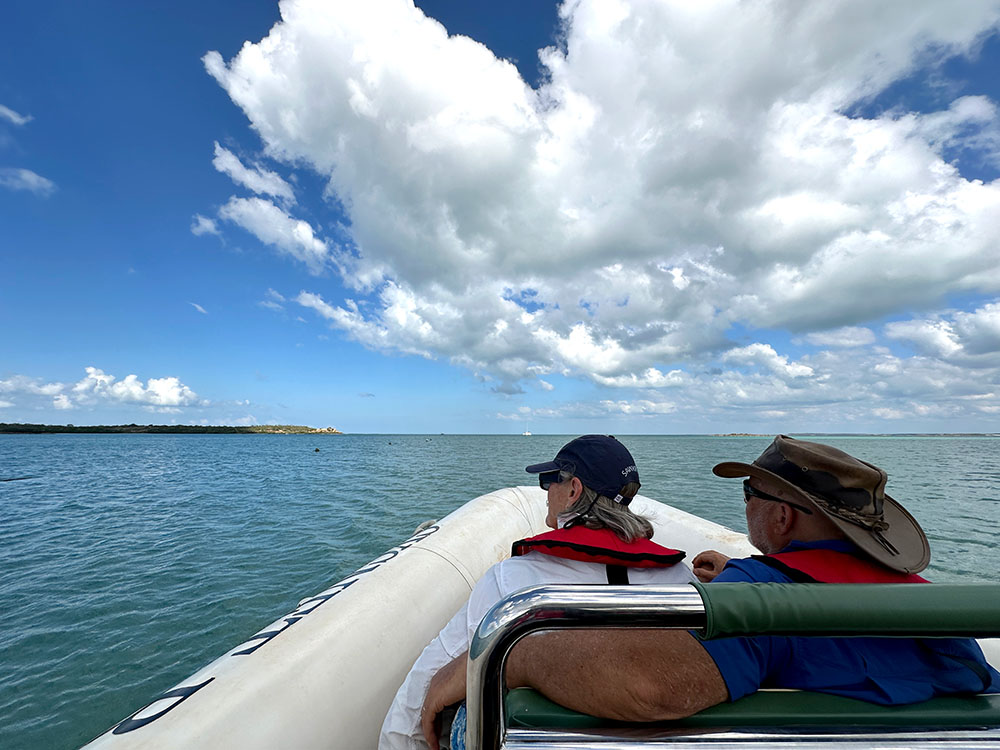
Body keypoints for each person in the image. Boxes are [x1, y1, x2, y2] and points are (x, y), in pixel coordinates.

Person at [420, 435, 1000, 747]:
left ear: (781, 520)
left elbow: (651, 689)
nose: (743, 503)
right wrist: (745, 574)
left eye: (749, 492)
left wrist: (503, 655)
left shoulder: (765, 610)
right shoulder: (931, 613)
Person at [379, 435, 696, 750]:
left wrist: (399, 741)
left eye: (549, 481)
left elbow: (430, 675)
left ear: (573, 491)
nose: (546, 493)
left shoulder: (511, 581)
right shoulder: (680, 578)